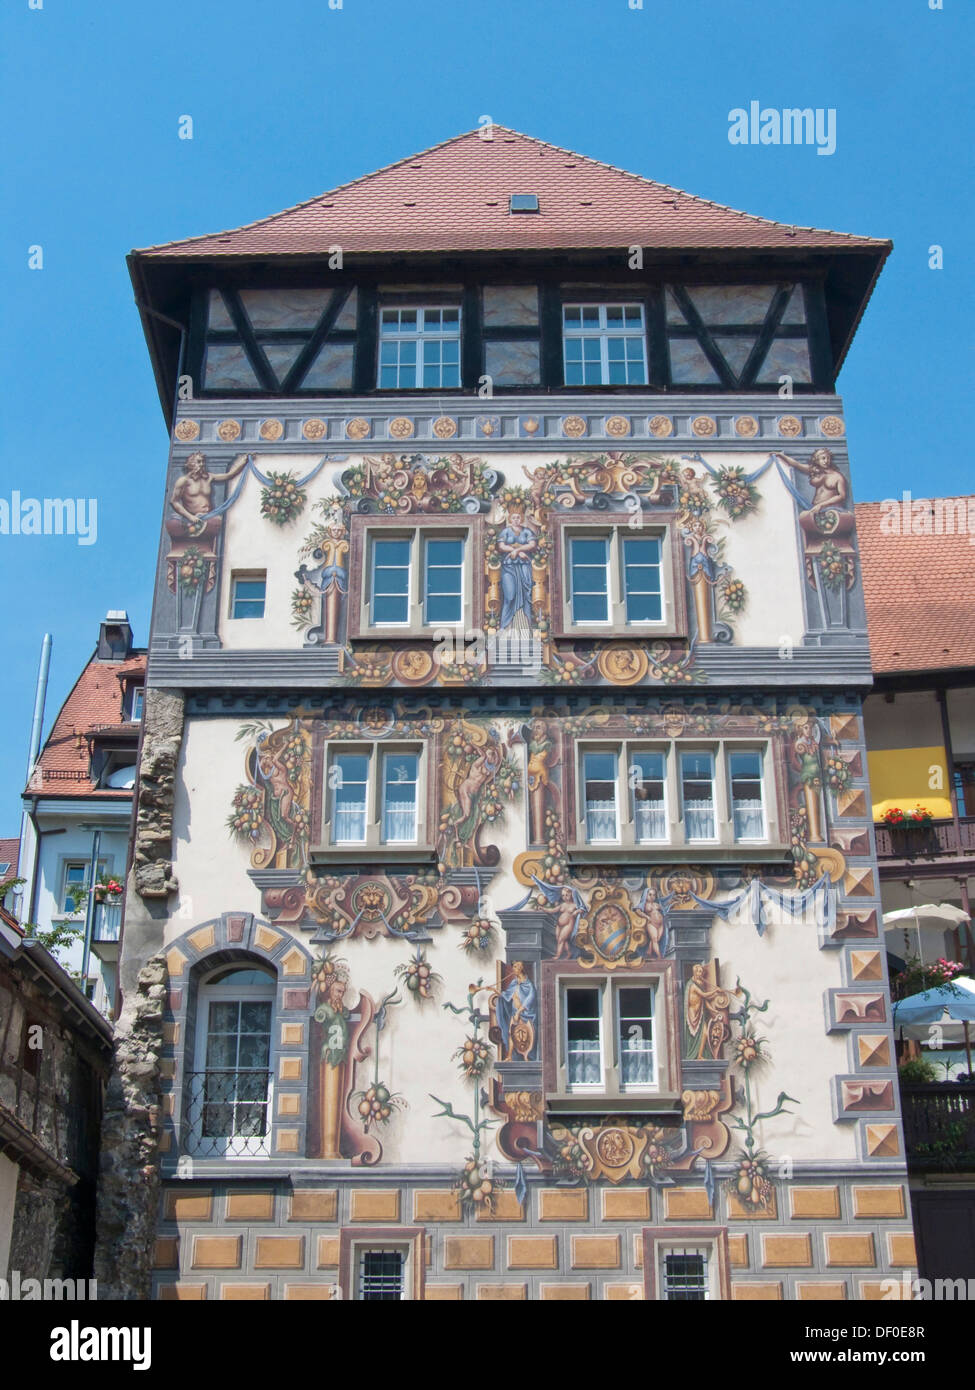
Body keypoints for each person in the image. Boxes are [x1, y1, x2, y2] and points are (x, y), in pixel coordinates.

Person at [170, 451, 248, 532]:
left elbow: (229, 475)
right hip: (192, 520)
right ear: (191, 464)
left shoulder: (208, 477)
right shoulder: (183, 481)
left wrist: (243, 462)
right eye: (199, 461)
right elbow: (174, 501)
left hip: (209, 517)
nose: (202, 464)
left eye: (203, 462)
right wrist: (190, 517)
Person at [497, 506, 538, 631]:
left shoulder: (527, 531)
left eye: (518, 517)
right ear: (510, 519)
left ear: (521, 519)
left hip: (525, 565)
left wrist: (519, 550)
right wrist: (514, 551)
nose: (516, 520)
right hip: (509, 565)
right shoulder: (505, 532)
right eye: (513, 517)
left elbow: (532, 544)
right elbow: (501, 545)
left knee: (527, 594)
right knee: (509, 594)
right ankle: (506, 626)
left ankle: (525, 627)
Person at [495, 961, 537, 1061]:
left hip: (526, 1014)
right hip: (515, 1012)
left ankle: (527, 1055)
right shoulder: (514, 982)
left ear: (520, 968)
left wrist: (519, 1012)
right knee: (511, 1033)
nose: (513, 969)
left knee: (529, 1033)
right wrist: (495, 991)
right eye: (513, 967)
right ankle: (509, 1056)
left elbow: (530, 999)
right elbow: (508, 995)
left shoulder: (529, 984)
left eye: (515, 967)